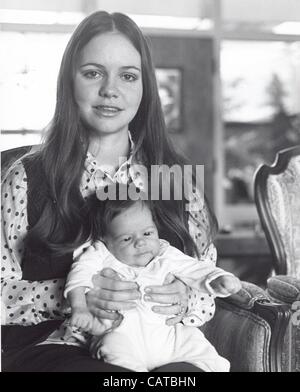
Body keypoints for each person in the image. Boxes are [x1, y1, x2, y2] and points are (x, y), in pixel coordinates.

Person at [2, 11, 225, 372]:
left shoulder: (174, 176)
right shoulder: (27, 177)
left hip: (164, 346)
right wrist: (73, 298)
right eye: (93, 73)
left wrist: (185, 298)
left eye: (127, 75)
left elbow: (208, 289)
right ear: (69, 82)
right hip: (56, 349)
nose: (110, 89)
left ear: (143, 87)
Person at [64, 187, 241, 372]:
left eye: (147, 233)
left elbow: (196, 269)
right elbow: (79, 276)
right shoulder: (100, 254)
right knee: (112, 347)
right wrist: (79, 308)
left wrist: (219, 279)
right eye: (126, 239)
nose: (140, 242)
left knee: (198, 346)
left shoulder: (166, 254)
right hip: (122, 335)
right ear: (105, 239)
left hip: (168, 336)